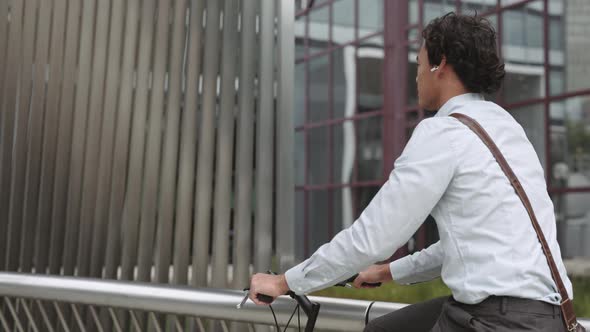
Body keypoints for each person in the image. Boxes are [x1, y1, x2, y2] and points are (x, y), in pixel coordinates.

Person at [248, 12, 574, 331]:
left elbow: (372, 238)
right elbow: (464, 243)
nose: (417, 77)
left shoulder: (443, 132)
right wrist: (388, 272)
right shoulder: (507, 128)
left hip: (496, 320)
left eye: (418, 66)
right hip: (549, 316)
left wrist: (284, 281)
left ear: (439, 64)